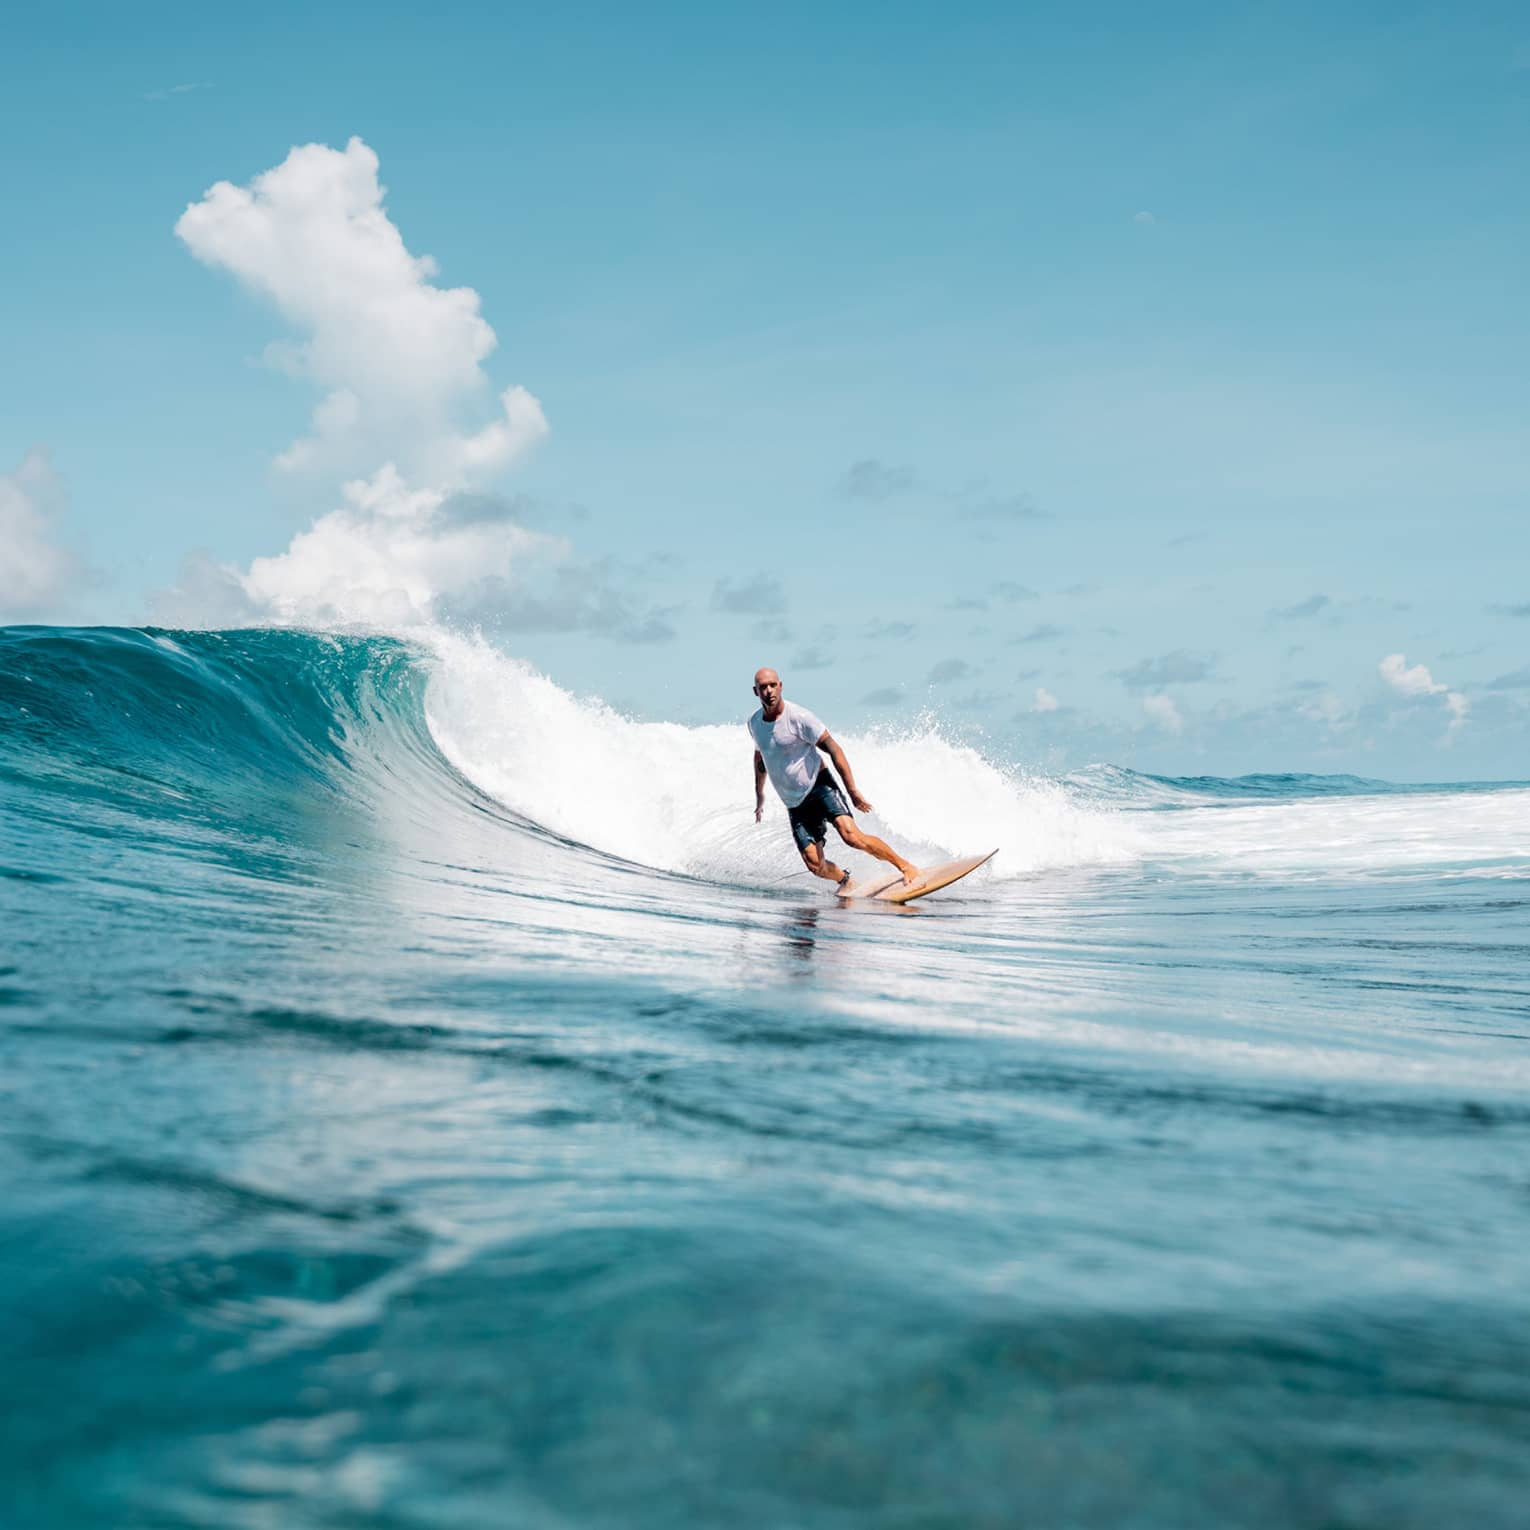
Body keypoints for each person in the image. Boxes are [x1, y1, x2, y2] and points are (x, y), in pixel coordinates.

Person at [748, 667, 919, 891]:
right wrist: (759, 796)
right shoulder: (754, 724)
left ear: (780, 686)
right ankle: (846, 881)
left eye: (773, 685)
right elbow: (761, 759)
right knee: (815, 865)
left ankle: (906, 867)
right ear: (755, 691)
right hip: (794, 803)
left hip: (819, 786)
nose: (769, 691)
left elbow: (834, 749)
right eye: (763, 687)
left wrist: (852, 790)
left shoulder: (799, 718)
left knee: (851, 836)